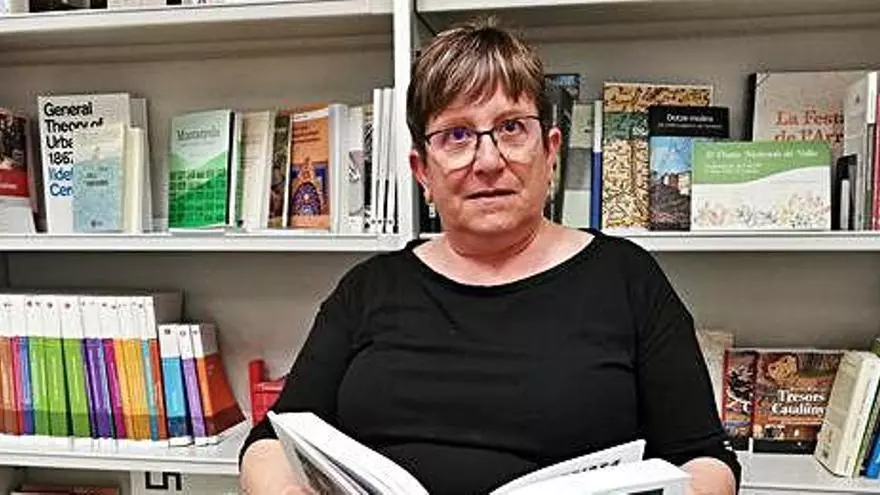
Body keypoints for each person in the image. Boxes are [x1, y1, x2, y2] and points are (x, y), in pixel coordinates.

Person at [239, 18, 740, 495]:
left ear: (550, 151)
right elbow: (270, 441)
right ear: (422, 171)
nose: (488, 161)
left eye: (511, 127)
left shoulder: (628, 278)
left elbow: (705, 459)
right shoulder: (367, 288)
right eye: (456, 135)